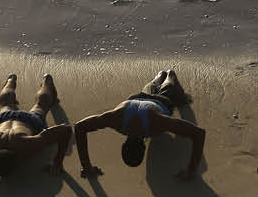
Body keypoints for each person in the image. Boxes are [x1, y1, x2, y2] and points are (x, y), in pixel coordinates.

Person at [74, 69, 204, 180]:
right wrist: (86, 166)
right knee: (157, 80)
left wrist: (191, 172)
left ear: (143, 147)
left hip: (162, 101)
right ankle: (161, 76)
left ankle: (170, 75)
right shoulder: (115, 120)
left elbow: (199, 133)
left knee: (171, 78)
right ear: (124, 144)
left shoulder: (156, 124)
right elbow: (79, 127)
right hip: (135, 98)